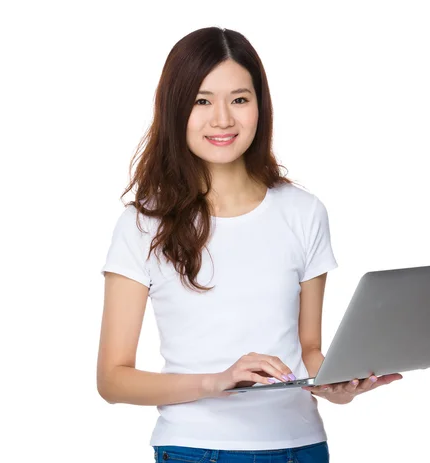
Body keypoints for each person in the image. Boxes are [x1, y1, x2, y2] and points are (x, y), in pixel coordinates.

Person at [97, 27, 402, 463]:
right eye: (202, 101)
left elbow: (308, 351)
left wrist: (338, 387)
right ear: (175, 108)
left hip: (302, 447)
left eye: (239, 99)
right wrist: (215, 381)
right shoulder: (143, 225)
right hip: (196, 450)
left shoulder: (303, 212)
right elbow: (112, 379)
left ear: (260, 106)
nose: (222, 119)